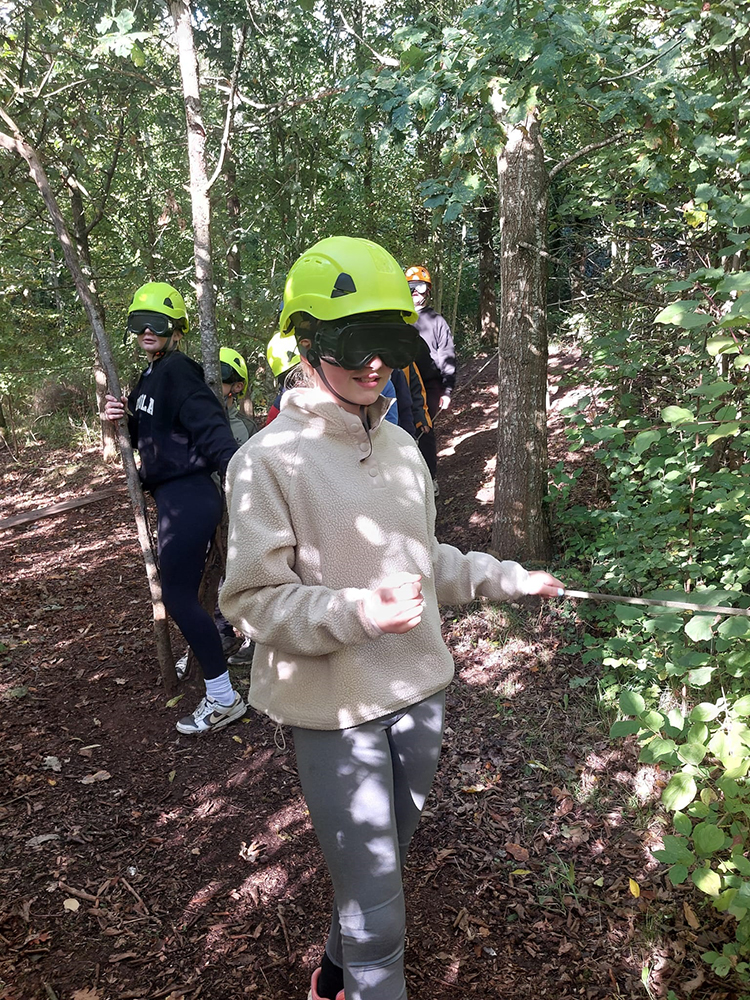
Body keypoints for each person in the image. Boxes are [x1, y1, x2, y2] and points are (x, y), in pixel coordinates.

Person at [219, 236, 564, 1000]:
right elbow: (251, 599)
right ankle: (365, 974)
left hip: (418, 695)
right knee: (378, 911)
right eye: (355, 344)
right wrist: (358, 611)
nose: (376, 365)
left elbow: (425, 558)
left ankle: (333, 973)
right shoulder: (266, 462)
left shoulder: (405, 447)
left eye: (391, 343)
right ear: (307, 341)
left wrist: (510, 579)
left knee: (378, 866)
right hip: (334, 708)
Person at [103, 282, 246, 735]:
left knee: (179, 597)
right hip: (172, 497)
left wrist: (241, 478)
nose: (147, 330)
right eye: (139, 322)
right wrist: (122, 419)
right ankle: (221, 688)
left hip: (189, 495)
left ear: (177, 330)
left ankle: (224, 697)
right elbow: (155, 432)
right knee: (181, 595)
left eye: (159, 323)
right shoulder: (149, 376)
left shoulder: (179, 370)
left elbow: (211, 427)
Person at [174, 346, 258, 677]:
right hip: (202, 510)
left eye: (221, 379)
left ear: (236, 386)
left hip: (238, 514)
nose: (213, 386)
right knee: (209, 576)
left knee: (245, 571)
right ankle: (220, 634)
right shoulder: (188, 421)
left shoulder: (247, 429)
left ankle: (254, 637)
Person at [404, 264, 456, 494]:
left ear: (428, 291)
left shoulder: (436, 321)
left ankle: (430, 478)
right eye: (411, 287)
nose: (415, 292)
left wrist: (447, 390)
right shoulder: (400, 318)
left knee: (424, 429)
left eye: (421, 287)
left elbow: (447, 355)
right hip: (404, 383)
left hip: (430, 384)